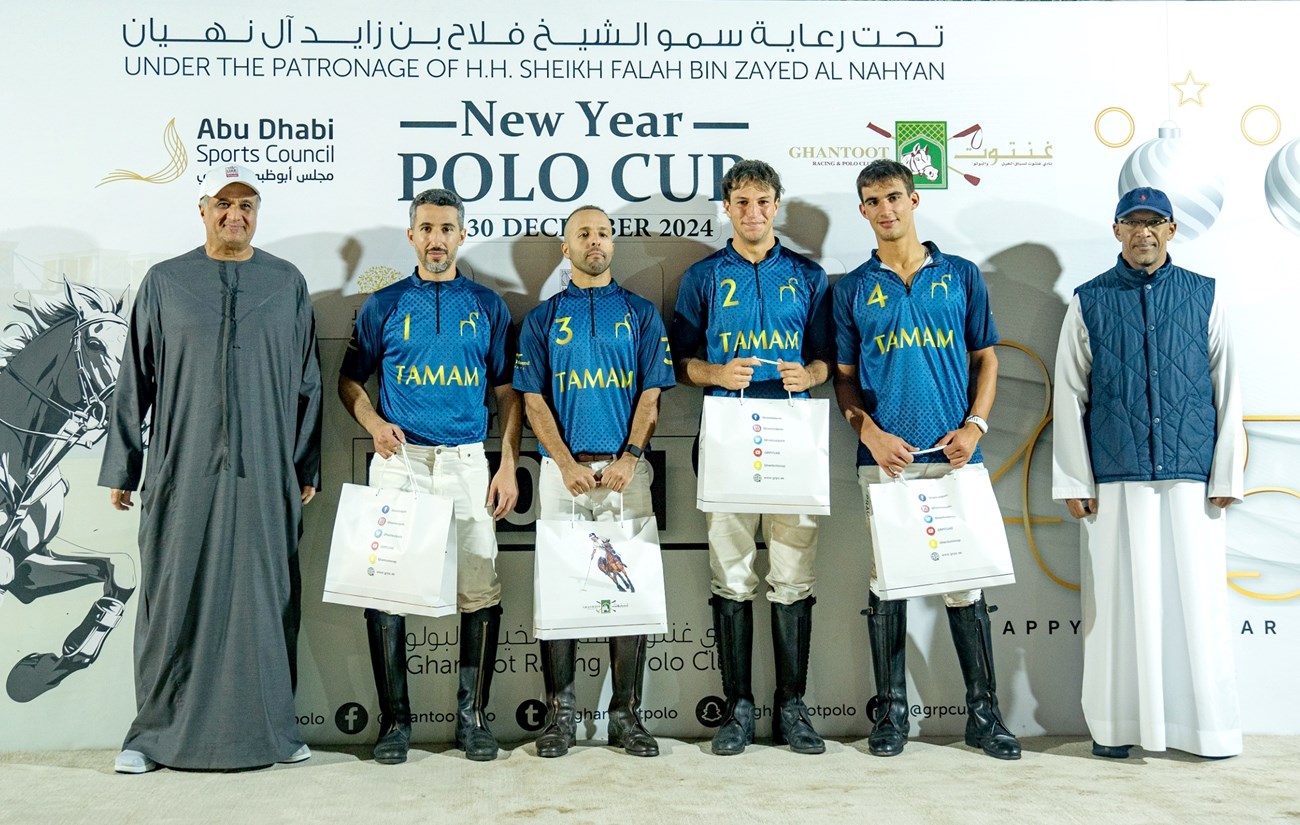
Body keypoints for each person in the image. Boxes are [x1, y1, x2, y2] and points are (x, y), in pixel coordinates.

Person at [99, 163, 323, 773]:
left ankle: (275, 727)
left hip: (266, 472)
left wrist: (305, 465)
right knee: (173, 595)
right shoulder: (166, 282)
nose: (235, 216)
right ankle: (151, 736)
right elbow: (134, 377)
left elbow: (309, 382)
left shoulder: (285, 282)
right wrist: (124, 465)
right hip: (181, 469)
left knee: (267, 596)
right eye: (223, 205)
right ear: (202, 210)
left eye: (247, 205)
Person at [832, 159, 1021, 760]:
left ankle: (984, 717)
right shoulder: (851, 289)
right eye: (871, 201)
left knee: (964, 588)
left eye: (893, 197)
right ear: (862, 211)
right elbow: (843, 379)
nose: (884, 209)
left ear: (914, 201)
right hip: (887, 462)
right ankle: (890, 717)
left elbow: (986, 358)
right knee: (889, 586)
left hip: (957, 457)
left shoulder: (962, 276)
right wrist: (870, 434)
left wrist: (976, 424)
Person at [1052, 186, 1243, 759]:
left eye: (1154, 223)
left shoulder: (1204, 296)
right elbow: (1069, 392)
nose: (1144, 234)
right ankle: (1116, 728)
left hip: (1191, 479)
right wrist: (1074, 479)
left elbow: (1228, 388)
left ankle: (1205, 730)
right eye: (1132, 224)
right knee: (1117, 610)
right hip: (1117, 476)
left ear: (1171, 229)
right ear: (1116, 231)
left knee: (1197, 605)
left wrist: (1227, 472)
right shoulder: (1089, 301)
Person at [339, 188, 521, 764]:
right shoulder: (383, 304)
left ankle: (472, 720)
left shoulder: (488, 305)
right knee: (385, 591)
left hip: (468, 460)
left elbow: (508, 393)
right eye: (426, 228)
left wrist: (508, 462)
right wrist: (372, 421)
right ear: (412, 236)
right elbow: (349, 380)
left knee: (480, 590)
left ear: (461, 235)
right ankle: (395, 723)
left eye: (447, 228)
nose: (437, 239)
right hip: (400, 462)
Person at [670, 159, 832, 756]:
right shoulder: (703, 277)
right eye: (741, 202)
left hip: (792, 436)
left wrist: (808, 372)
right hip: (727, 436)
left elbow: (827, 360)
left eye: (763, 201)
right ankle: (737, 709)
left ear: (778, 205)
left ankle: (792, 709)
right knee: (732, 575)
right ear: (726, 207)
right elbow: (679, 362)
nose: (753, 212)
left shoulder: (809, 277)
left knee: (792, 575)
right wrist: (714, 371)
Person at [514, 205, 675, 758]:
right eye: (583, 233)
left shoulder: (640, 313)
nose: (596, 242)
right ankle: (561, 716)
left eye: (604, 233)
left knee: (627, 593)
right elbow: (533, 400)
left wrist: (630, 456)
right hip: (565, 474)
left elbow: (651, 395)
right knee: (561, 591)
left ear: (613, 244)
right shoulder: (542, 319)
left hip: (626, 471)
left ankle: (626, 717)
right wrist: (562, 463)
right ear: (566, 247)